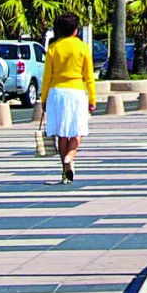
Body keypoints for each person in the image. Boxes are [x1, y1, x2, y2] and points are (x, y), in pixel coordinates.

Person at [42, 12, 97, 183]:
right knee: (77, 129)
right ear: (75, 29)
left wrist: (43, 99)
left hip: (56, 93)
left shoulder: (53, 48)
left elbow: (46, 77)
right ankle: (70, 156)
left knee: (62, 134)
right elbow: (89, 76)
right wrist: (92, 99)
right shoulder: (82, 47)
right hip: (76, 92)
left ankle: (65, 170)